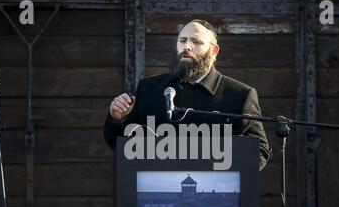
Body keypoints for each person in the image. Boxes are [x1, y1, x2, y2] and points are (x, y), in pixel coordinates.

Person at [104, 19, 271, 170]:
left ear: (214, 51)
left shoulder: (240, 95)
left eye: (196, 42)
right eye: (182, 40)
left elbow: (259, 152)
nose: (187, 47)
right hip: (156, 193)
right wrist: (118, 119)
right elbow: (121, 144)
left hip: (214, 195)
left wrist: (220, 169)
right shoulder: (148, 88)